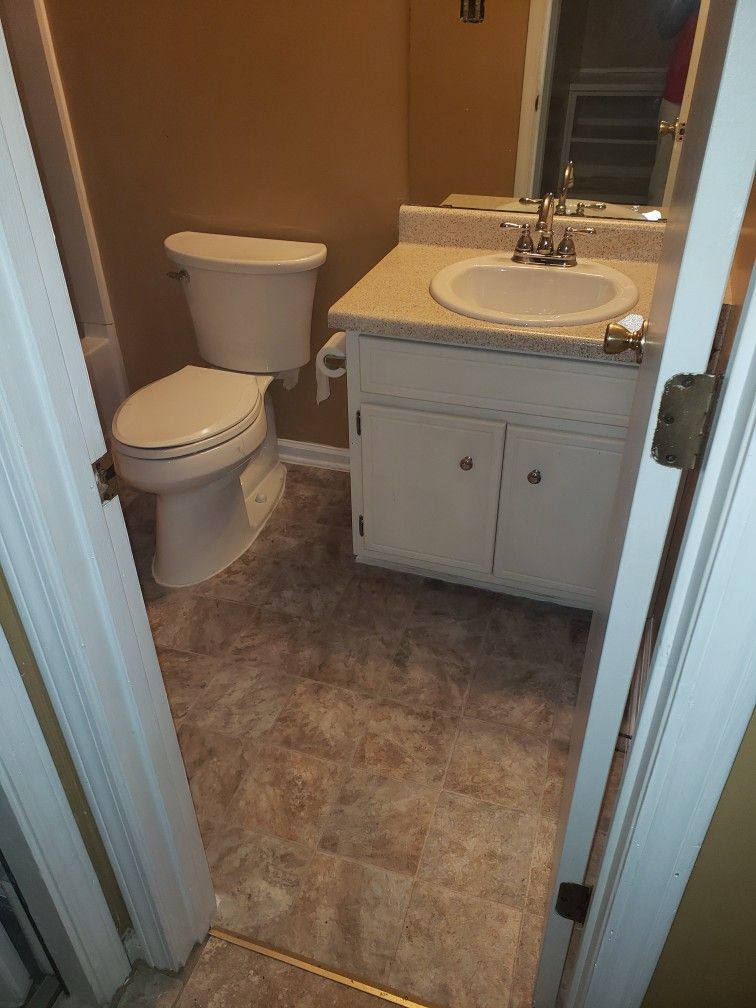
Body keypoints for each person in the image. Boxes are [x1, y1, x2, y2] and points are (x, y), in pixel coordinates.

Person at [648, 0, 701, 204]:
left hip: (710, 95)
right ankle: (655, 218)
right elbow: (666, 28)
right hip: (678, 89)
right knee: (665, 165)